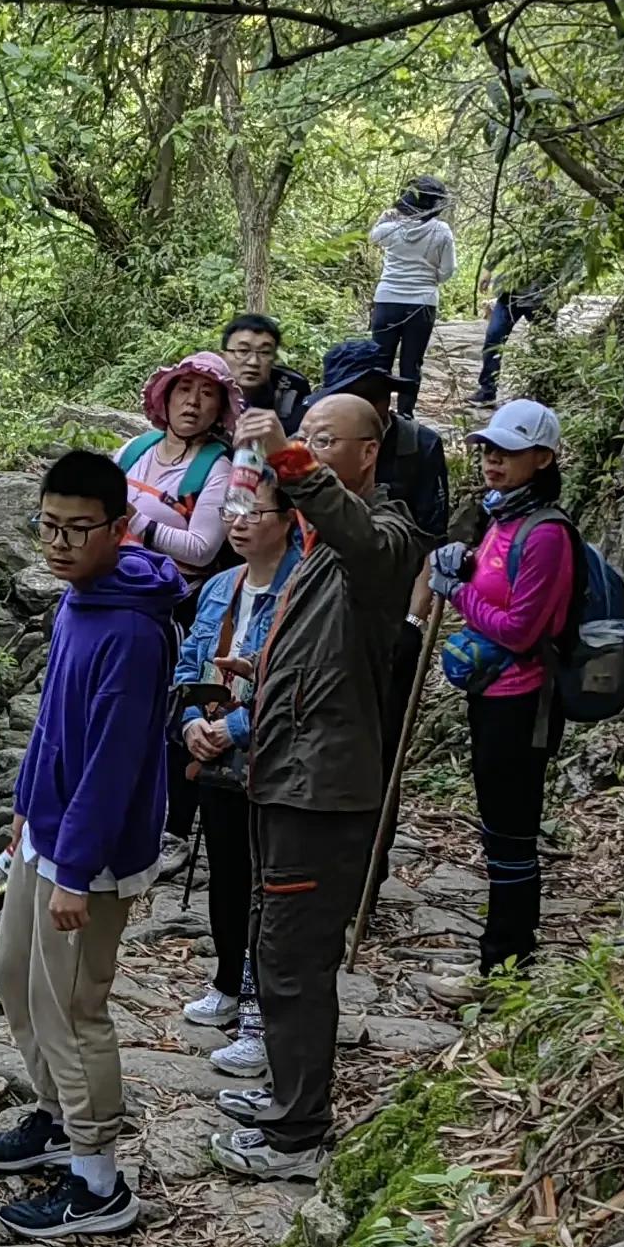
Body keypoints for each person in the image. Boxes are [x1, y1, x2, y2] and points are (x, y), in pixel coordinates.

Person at [0, 452, 189, 1241]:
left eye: (76, 529)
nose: (58, 544)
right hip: (48, 834)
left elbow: (114, 759)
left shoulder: (132, 627)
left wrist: (78, 870)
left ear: (119, 528)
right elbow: (56, 723)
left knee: (74, 1008)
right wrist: (26, 810)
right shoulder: (79, 600)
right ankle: (58, 1117)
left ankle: (98, 1184)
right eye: (47, 526)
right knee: (16, 977)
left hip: (88, 854)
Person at [207, 395, 422, 1177]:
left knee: (295, 957)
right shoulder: (316, 548)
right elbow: (320, 656)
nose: (313, 450)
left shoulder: (384, 538)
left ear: (369, 452)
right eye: (308, 439)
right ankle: (286, 1096)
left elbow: (359, 538)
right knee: (277, 945)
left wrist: (288, 460)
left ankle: (298, 1133)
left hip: (324, 784)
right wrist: (255, 674)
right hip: (287, 771)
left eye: (328, 441)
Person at [429, 397, 574, 973]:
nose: (493, 459)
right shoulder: (504, 517)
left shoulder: (544, 535)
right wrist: (465, 568)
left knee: (511, 833)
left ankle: (505, 959)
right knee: (498, 827)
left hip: (523, 700)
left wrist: (455, 591)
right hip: (493, 695)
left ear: (541, 458)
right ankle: (503, 952)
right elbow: (497, 591)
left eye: (508, 451)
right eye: (489, 448)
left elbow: (520, 630)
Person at [169, 471, 304, 1038]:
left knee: (269, 884)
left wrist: (240, 727)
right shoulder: (220, 587)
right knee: (226, 874)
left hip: (276, 761)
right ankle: (228, 982)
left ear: (290, 520)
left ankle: (260, 1005)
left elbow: (304, 683)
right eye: (232, 512)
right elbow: (188, 667)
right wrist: (192, 721)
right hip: (218, 763)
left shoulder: (304, 590)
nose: (240, 524)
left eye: (256, 513)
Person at [318, 336, 453, 543]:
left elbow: (432, 533)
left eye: (373, 396)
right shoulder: (311, 445)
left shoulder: (419, 445)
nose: (364, 409)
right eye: (350, 400)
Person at [122, 353, 238, 584]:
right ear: (167, 398)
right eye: (184, 389)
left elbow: (202, 551)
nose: (193, 401)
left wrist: (135, 520)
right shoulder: (135, 448)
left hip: (162, 596)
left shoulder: (218, 470)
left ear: (219, 410)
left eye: (206, 393)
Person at [366, 178, 458, 411]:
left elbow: (373, 235)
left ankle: (377, 413)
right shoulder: (442, 232)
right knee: (412, 363)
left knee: (380, 361)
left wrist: (387, 216)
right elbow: (448, 270)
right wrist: (430, 280)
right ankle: (406, 416)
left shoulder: (390, 229)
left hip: (387, 301)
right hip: (423, 304)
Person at [221, 310, 317, 435]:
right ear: (223, 356)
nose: (253, 362)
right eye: (243, 350)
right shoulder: (207, 390)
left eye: (265, 352)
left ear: (274, 358)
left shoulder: (290, 393)